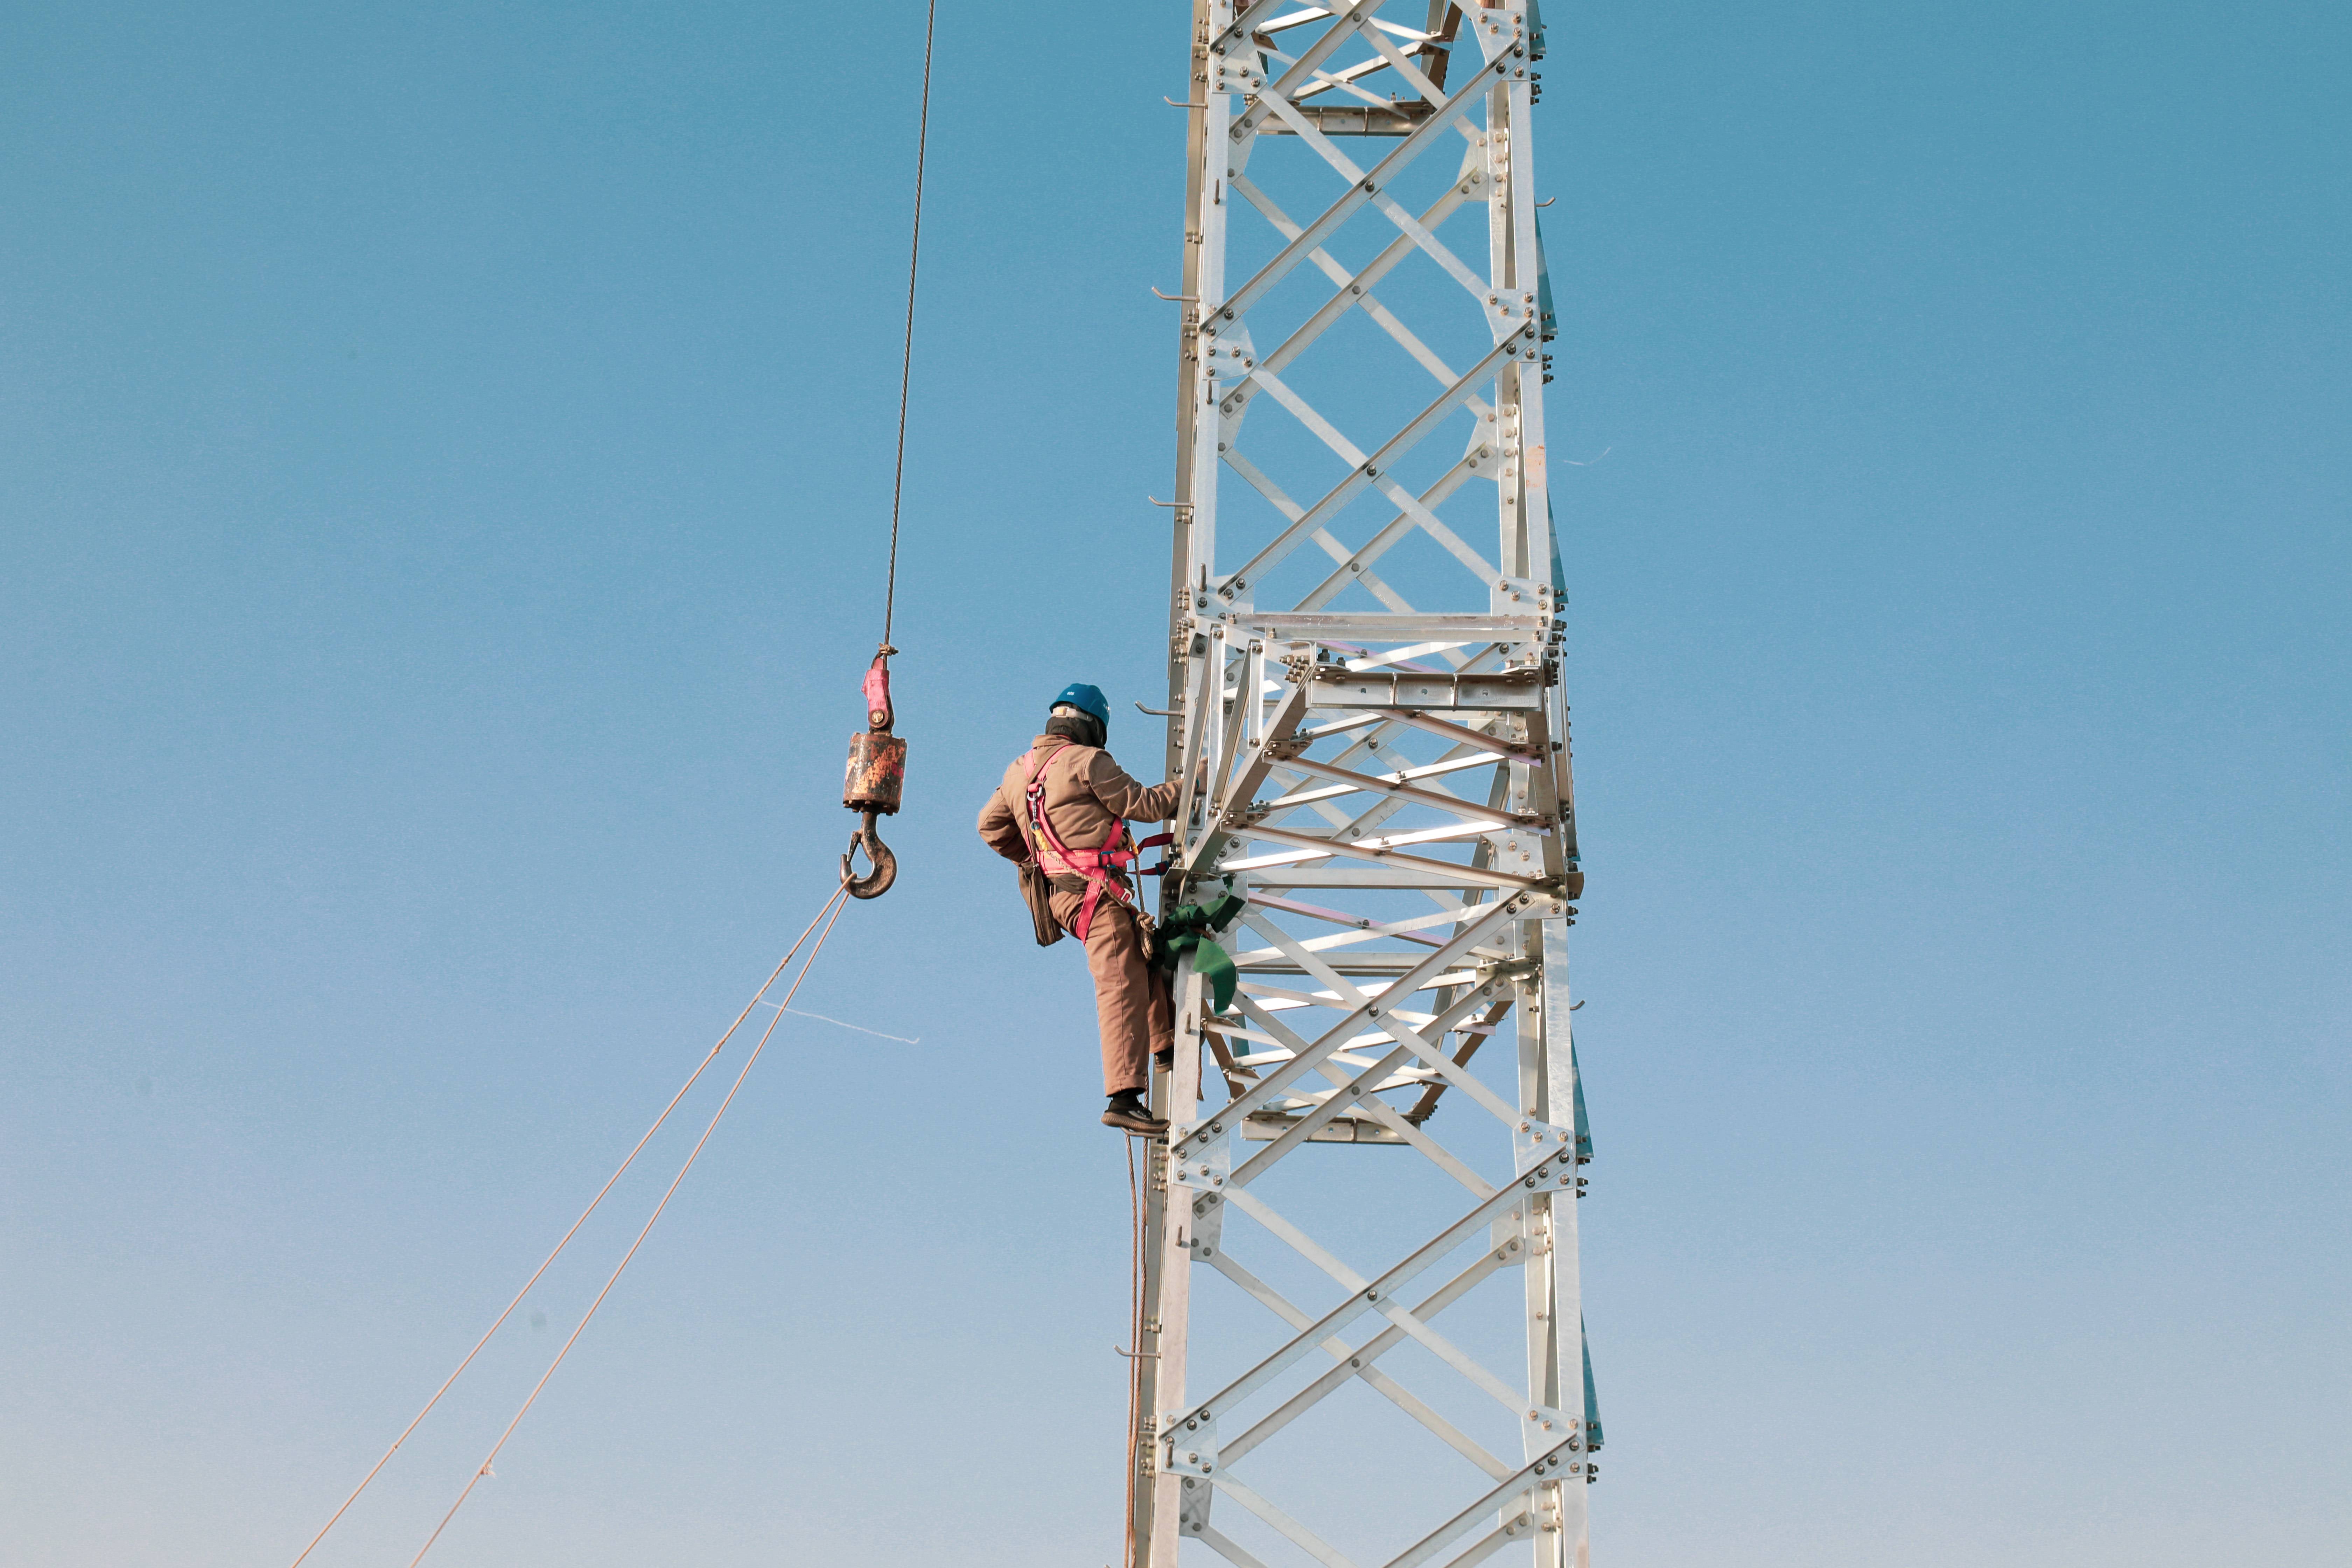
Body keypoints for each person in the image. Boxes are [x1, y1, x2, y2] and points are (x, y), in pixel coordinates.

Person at [977, 683, 1181, 1134]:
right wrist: (1192, 786)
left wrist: (1042, 856)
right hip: (1098, 893)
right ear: (1092, 727)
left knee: (1145, 959)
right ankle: (1124, 1097)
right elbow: (1144, 805)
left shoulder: (1018, 772)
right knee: (1120, 984)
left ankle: (1166, 1046)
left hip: (1068, 898)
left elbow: (990, 826)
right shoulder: (1088, 761)